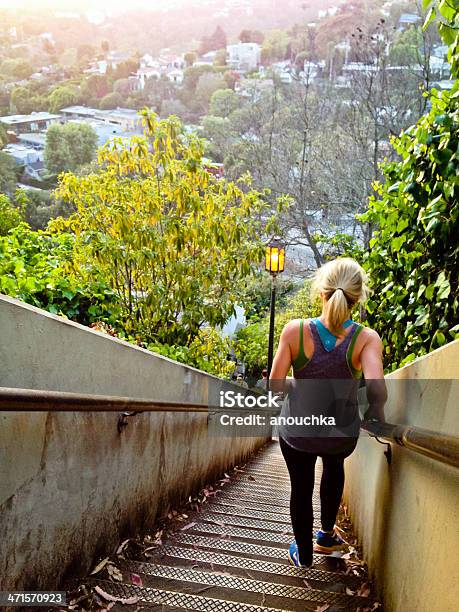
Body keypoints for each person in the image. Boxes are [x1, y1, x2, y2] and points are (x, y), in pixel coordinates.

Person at [270, 257, 387, 568]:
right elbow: (377, 389)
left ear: (321, 291)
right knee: (334, 469)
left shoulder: (294, 331)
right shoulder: (366, 339)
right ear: (357, 297)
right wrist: (376, 414)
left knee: (301, 485)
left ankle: (304, 555)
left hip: (299, 432)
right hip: (339, 433)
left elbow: (275, 386)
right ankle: (325, 536)